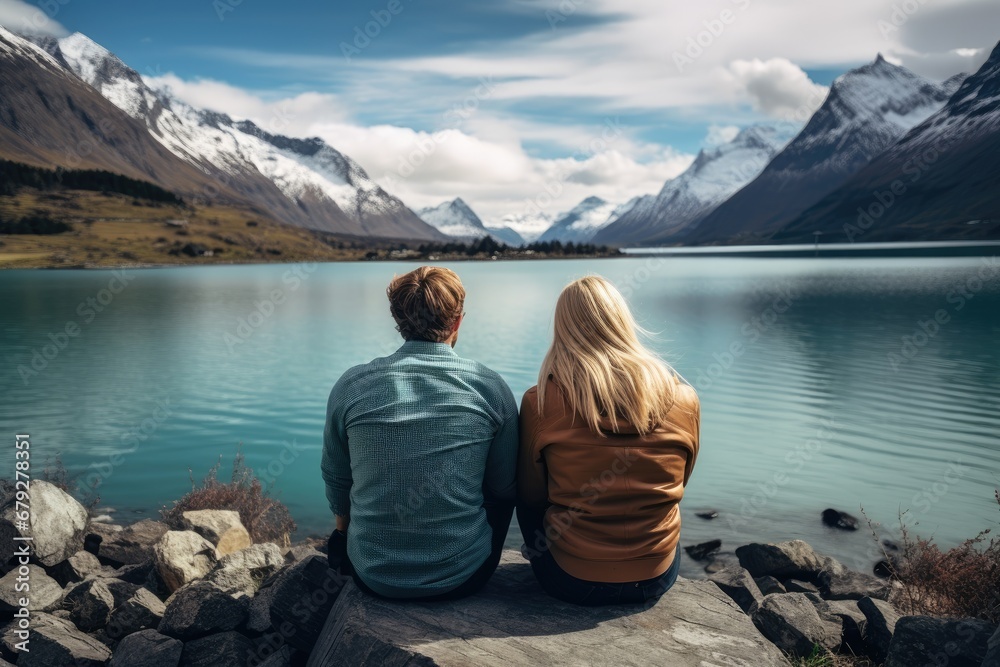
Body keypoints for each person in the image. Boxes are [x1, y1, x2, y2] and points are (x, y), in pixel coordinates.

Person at [321, 266, 518, 600]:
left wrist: (343, 534)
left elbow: (338, 478)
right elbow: (504, 488)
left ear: (399, 322)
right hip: (466, 578)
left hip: (372, 576)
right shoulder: (489, 387)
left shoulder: (352, 385)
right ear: (457, 322)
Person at [517, 275, 700, 606]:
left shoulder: (541, 403)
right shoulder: (684, 400)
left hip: (569, 578)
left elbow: (531, 497)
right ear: (621, 322)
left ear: (563, 329)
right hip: (657, 576)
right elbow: (681, 482)